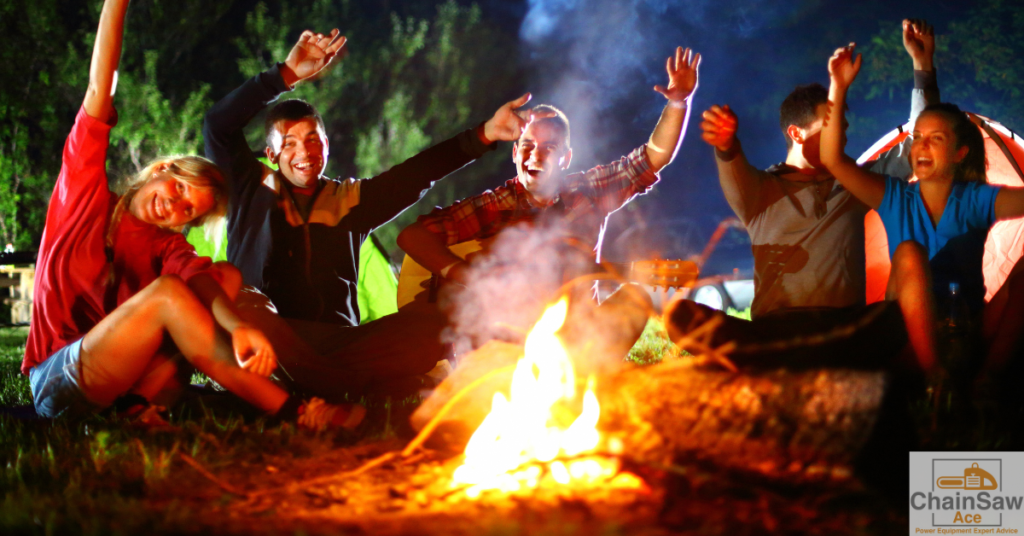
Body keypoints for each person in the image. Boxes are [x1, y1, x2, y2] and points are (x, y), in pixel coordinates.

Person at [23, 0, 360, 431]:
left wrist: (239, 326)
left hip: (120, 382)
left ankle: (140, 409)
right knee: (168, 292)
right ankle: (297, 411)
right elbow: (99, 89)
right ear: (162, 169)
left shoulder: (166, 244)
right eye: (179, 189)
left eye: (186, 211)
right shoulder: (84, 196)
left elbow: (205, 283)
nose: (173, 206)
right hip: (57, 379)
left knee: (224, 278)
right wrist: (116, 6)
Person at [204, 27, 552, 397]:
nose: (303, 152)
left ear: (326, 146)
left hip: (339, 343)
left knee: (435, 325)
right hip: (270, 340)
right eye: (289, 143)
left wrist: (483, 135)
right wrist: (285, 75)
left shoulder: (350, 200)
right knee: (246, 305)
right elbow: (217, 125)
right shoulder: (248, 187)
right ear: (271, 155)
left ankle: (321, 388)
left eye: (312, 140)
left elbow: (417, 174)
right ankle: (345, 391)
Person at [397, 47, 701, 371]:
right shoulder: (496, 204)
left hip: (581, 337)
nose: (535, 156)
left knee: (636, 298)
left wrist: (678, 102)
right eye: (527, 147)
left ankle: (591, 377)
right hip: (511, 347)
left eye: (548, 148)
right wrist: (467, 276)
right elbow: (412, 237)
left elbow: (653, 157)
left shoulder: (589, 192)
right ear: (515, 154)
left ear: (566, 159)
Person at [665, 19, 941, 371]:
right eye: (830, 126)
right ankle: (772, 363)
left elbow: (922, 140)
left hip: (844, 333)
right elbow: (731, 162)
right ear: (795, 133)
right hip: (774, 334)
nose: (839, 136)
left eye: (842, 127)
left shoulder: (856, 182)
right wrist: (727, 142)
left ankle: (763, 369)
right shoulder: (762, 189)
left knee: (905, 305)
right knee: (680, 314)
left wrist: (923, 66)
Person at [820, 43, 1024, 391]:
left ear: (960, 153)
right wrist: (837, 87)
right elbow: (834, 161)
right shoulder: (894, 196)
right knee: (909, 252)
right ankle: (935, 379)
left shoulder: (974, 200)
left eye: (936, 139)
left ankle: (987, 379)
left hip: (966, 328)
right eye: (917, 138)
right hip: (905, 335)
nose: (921, 146)